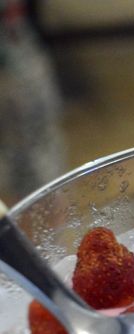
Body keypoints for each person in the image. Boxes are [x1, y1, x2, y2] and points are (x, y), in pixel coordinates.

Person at [0, 0, 64, 202]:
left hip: (17, 48)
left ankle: (46, 203)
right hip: (13, 69)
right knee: (26, 143)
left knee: (36, 140)